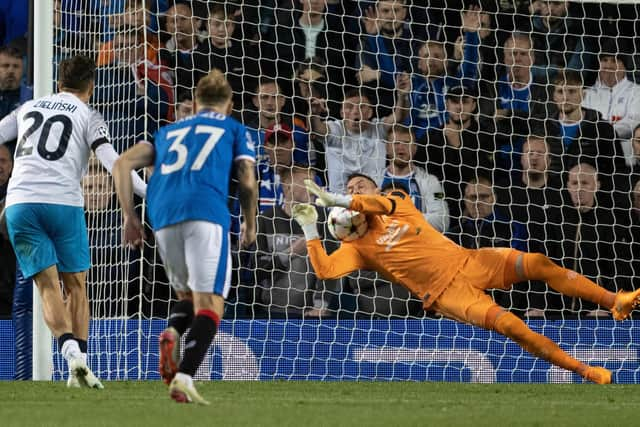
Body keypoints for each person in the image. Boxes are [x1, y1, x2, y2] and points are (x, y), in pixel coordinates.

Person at [290, 173, 640, 384]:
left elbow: (378, 205)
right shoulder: (358, 248)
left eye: (360, 186)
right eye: (349, 188)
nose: (356, 192)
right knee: (512, 326)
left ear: (370, 191)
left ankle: (615, 301)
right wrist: (309, 227)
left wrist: (340, 197)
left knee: (537, 262)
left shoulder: (397, 200)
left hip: (469, 260)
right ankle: (586, 371)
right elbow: (325, 270)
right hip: (447, 295)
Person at [0, 55, 146, 388]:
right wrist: (152, 194)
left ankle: (72, 358)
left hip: (20, 202)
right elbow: (116, 165)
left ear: (59, 82)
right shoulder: (89, 115)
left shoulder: (29, 108)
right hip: (63, 204)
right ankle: (78, 362)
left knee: (47, 286)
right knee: (76, 287)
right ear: (91, 86)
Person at [113, 69, 257, 404]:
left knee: (188, 297)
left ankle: (174, 332)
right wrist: (250, 223)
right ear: (230, 104)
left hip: (162, 215)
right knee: (212, 304)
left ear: (194, 103)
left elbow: (122, 163)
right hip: (205, 211)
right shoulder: (234, 128)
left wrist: (129, 217)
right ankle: (184, 377)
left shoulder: (167, 132)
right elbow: (247, 180)